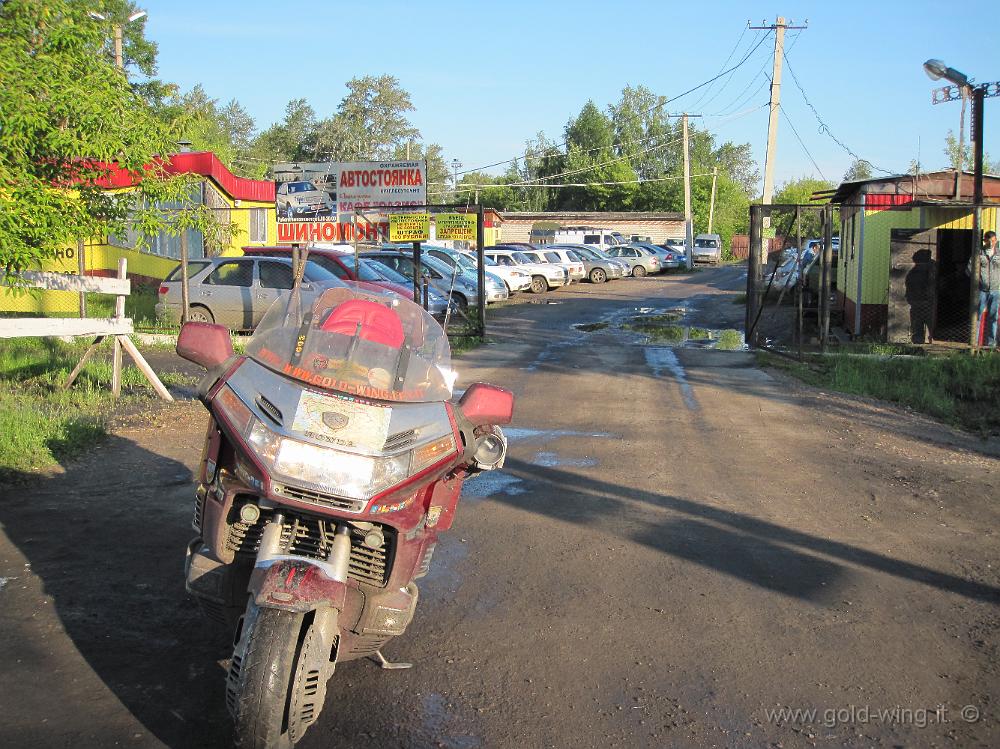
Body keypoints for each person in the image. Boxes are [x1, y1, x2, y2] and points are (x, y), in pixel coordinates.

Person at [971, 230, 1000, 348]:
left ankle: (991, 344)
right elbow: (969, 269)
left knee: (993, 316)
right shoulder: (979, 254)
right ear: (985, 241)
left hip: (996, 290)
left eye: (994, 241)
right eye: (989, 241)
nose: (992, 243)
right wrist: (978, 281)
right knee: (976, 316)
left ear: (996, 240)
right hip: (981, 291)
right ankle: (975, 343)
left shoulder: (999, 254)